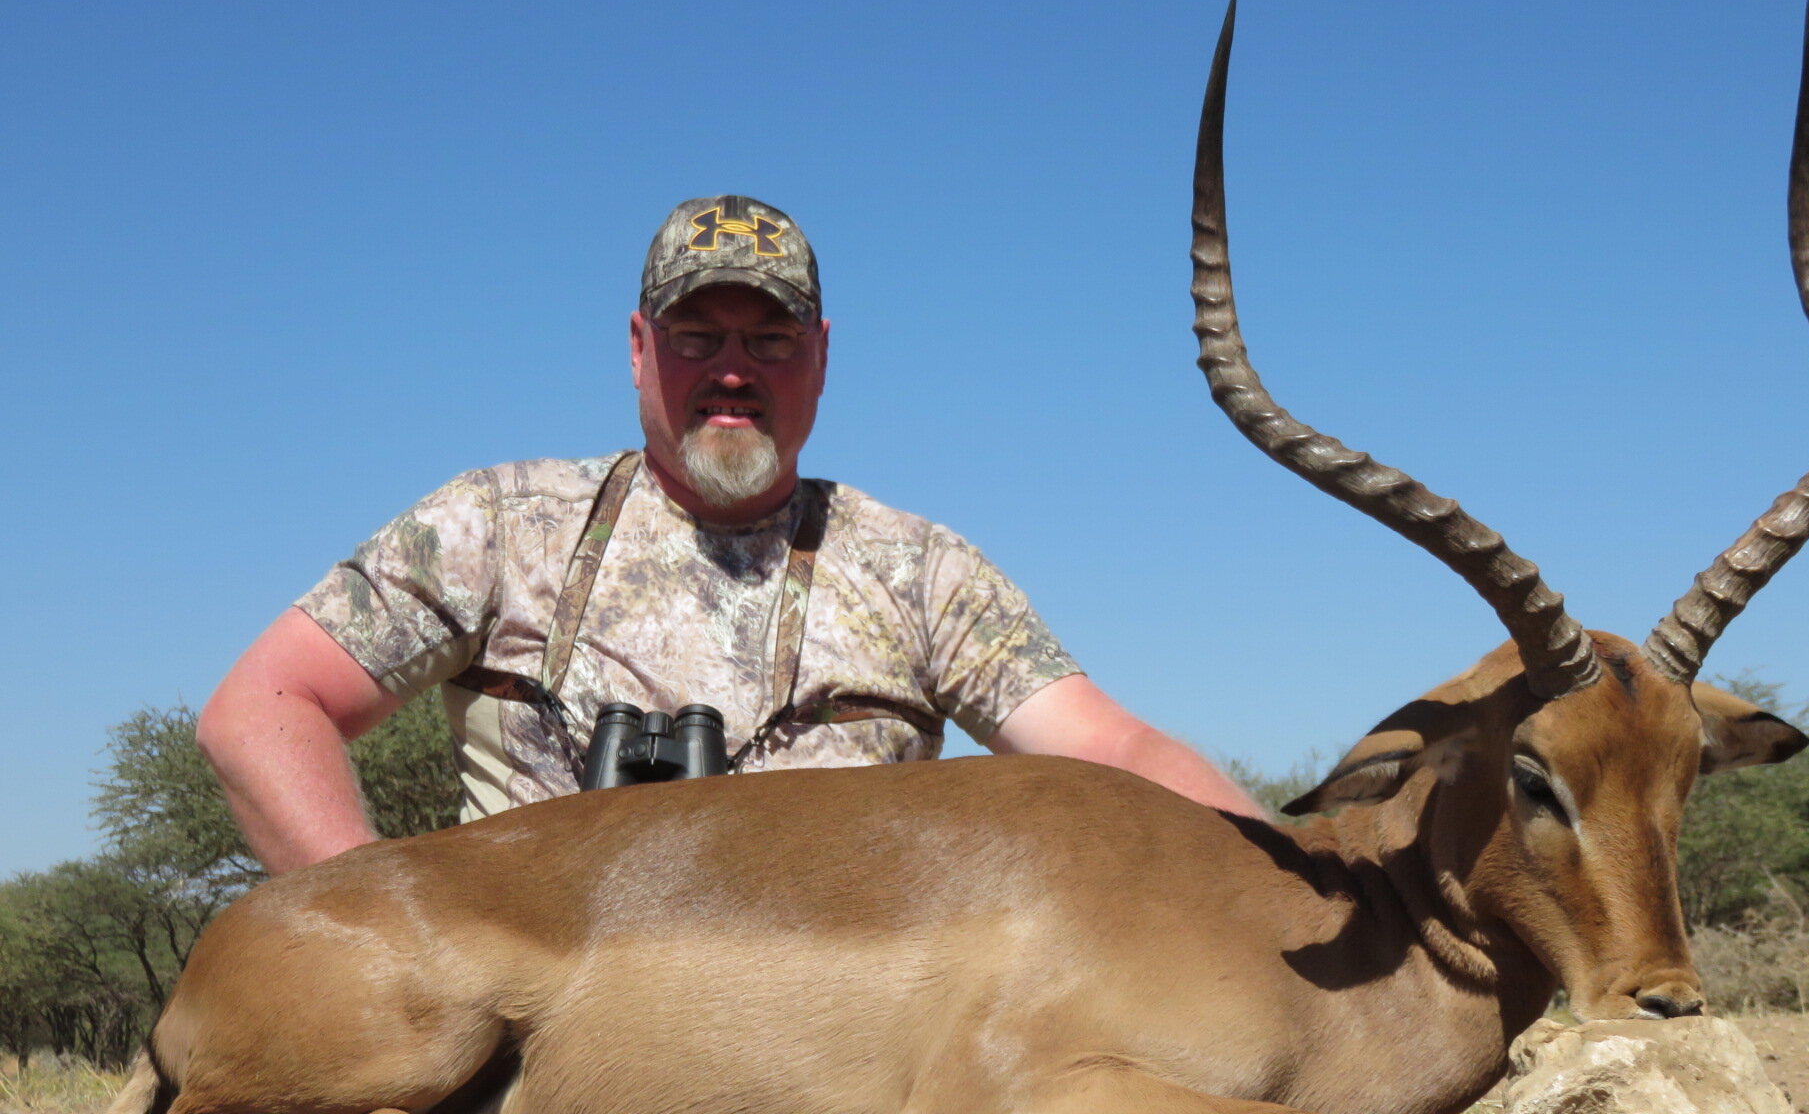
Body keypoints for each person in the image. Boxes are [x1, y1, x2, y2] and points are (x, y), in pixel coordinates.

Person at [198, 195, 1262, 873]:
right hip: (528, 1028)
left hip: (844, 1045)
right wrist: (376, 937)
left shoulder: (922, 568)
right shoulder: (494, 523)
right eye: (695, 336)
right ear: (636, 349)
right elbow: (262, 706)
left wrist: (1306, 875)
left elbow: (1111, 751)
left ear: (823, 354)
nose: (733, 371)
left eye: (771, 338)